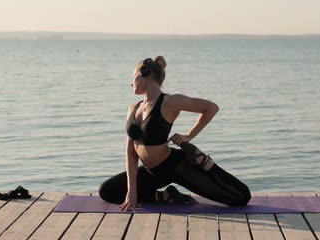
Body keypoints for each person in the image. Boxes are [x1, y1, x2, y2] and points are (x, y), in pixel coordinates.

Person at [98, 56, 251, 211]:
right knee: (107, 191)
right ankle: (166, 195)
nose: (131, 83)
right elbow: (130, 153)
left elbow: (211, 108)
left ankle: (203, 161)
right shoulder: (133, 108)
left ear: (145, 73)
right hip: (152, 173)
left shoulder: (170, 101)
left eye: (133, 76)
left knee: (240, 197)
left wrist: (188, 136)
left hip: (177, 166)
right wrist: (132, 191)